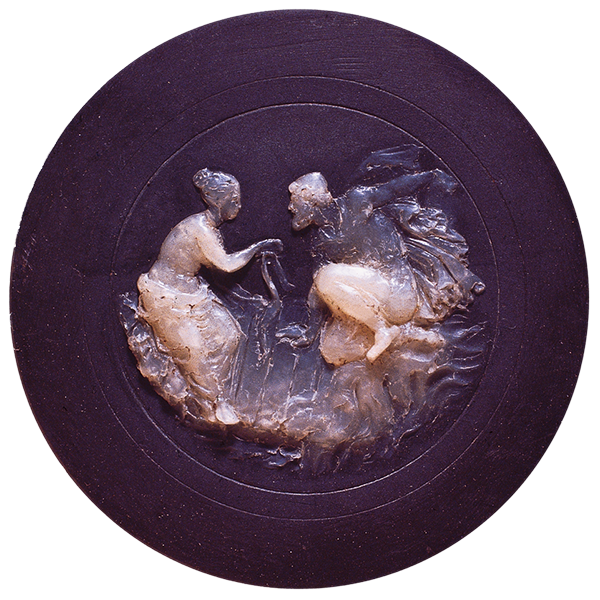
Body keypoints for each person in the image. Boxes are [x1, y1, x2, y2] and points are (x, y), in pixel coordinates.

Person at [285, 169, 481, 362]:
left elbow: (394, 189)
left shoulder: (355, 201)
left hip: (398, 291)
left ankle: (382, 330)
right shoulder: (323, 240)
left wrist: (430, 176)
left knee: (326, 276)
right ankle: (408, 335)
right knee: (333, 352)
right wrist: (310, 333)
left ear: (310, 200)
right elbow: (318, 292)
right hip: (373, 298)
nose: (291, 207)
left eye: (295, 201)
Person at [136, 168, 281, 407]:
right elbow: (226, 264)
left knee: (229, 336)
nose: (239, 206)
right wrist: (257, 247)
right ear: (218, 202)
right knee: (194, 351)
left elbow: (217, 275)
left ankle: (215, 393)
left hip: (192, 294)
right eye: (234, 200)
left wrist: (247, 298)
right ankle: (212, 401)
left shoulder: (210, 229)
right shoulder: (200, 229)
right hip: (165, 297)